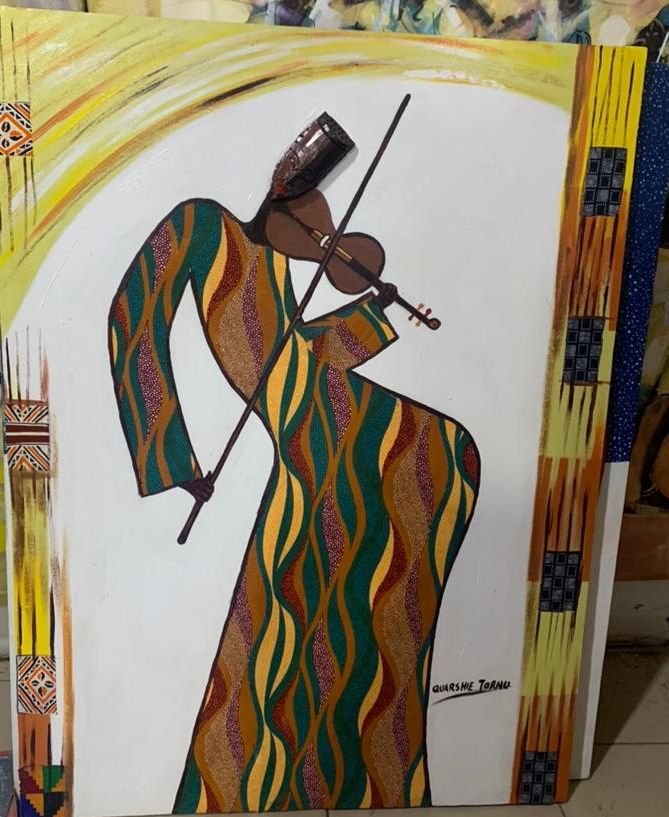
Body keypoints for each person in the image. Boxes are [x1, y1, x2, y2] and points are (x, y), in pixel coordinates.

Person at [108, 117, 480, 812]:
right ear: (279, 185)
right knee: (286, 615)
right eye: (309, 212)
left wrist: (375, 315)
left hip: (374, 434)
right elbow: (135, 319)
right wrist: (169, 454)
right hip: (319, 442)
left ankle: (357, 774)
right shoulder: (202, 225)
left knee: (374, 622)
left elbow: (298, 358)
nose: (320, 239)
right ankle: (252, 776)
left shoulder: (283, 271)